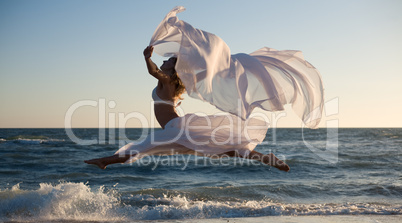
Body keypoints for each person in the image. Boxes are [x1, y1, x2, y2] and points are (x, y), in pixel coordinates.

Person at [84, 46, 290, 172]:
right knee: (221, 150)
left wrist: (147, 58)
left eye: (169, 61)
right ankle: (266, 158)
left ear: (172, 69)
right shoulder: (175, 82)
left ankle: (104, 161)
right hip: (176, 127)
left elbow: (153, 71)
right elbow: (202, 75)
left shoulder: (168, 82)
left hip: (175, 127)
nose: (164, 61)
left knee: (143, 146)